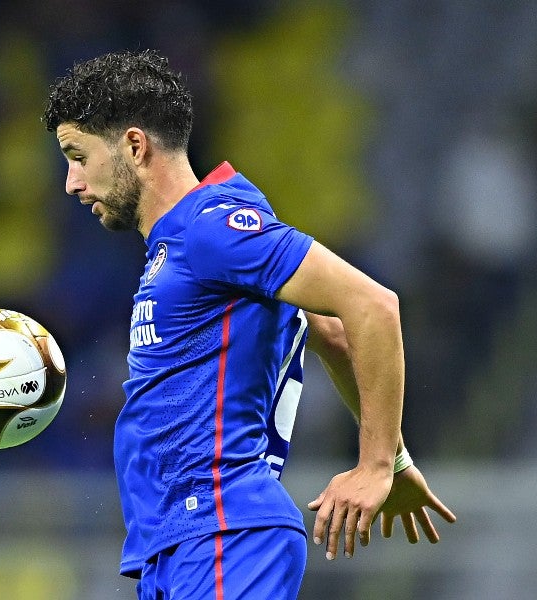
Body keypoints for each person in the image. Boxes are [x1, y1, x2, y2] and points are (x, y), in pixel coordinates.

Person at [43, 49, 456, 599]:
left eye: (78, 156)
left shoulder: (209, 230)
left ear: (135, 146)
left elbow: (372, 306)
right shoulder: (187, 241)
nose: (72, 183)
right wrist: (397, 457)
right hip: (181, 544)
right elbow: (328, 333)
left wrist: (377, 462)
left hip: (221, 531)